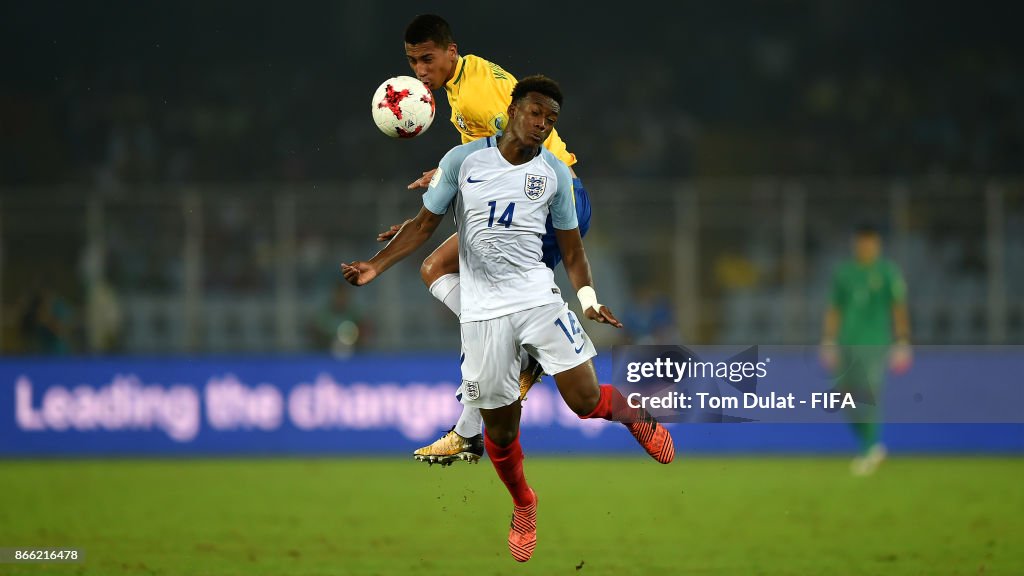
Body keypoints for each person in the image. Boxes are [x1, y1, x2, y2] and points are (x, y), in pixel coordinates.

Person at [344, 76, 674, 562]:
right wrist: (377, 264)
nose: (543, 124)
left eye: (552, 120)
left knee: (584, 401)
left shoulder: (555, 174)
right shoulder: (462, 162)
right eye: (536, 113)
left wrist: (585, 298)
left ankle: (634, 417)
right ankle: (524, 502)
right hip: (482, 316)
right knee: (499, 431)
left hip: (538, 301)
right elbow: (422, 226)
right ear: (513, 109)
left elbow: (572, 250)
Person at [375, 14, 595, 465]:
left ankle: (472, 424)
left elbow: (518, 148)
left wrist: (436, 203)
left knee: (481, 303)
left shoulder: (475, 92)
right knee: (437, 270)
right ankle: (479, 417)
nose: (420, 70)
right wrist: (437, 194)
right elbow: (486, 161)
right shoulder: (464, 81)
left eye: (427, 59)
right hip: (528, 198)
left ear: (450, 52)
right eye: (413, 61)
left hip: (549, 198)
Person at [820, 223, 912, 476]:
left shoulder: (887, 271)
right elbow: (834, 308)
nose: (866, 247)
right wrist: (828, 340)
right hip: (846, 342)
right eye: (862, 242)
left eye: (870, 242)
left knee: (869, 393)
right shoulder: (844, 273)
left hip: (874, 342)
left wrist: (902, 340)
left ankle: (869, 449)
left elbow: (898, 307)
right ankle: (872, 445)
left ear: (877, 244)